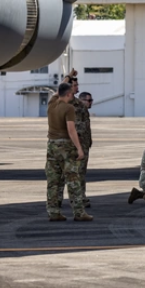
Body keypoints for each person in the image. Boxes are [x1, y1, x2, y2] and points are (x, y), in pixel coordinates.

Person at [45, 82, 91, 221]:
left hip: (52, 146)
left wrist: (68, 76)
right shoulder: (69, 108)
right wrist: (79, 148)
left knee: (53, 181)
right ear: (69, 94)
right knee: (73, 180)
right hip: (65, 146)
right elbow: (71, 130)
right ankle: (79, 212)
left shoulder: (52, 104)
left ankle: (53, 212)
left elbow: (57, 92)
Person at [76, 91, 94, 207]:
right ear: (82, 100)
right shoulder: (78, 111)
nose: (91, 102)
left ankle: (81, 197)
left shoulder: (85, 112)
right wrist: (79, 148)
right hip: (80, 147)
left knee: (81, 173)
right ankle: (80, 198)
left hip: (84, 146)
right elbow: (77, 130)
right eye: (89, 100)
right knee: (79, 174)